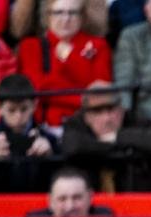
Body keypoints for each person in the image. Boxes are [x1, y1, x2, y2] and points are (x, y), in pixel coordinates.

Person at [14, 0, 112, 128]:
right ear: (48, 16)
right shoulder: (31, 46)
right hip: (43, 126)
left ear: (82, 17)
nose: (66, 19)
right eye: (58, 12)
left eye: (73, 13)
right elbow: (35, 88)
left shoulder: (98, 46)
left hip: (86, 126)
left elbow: (100, 94)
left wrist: (51, 86)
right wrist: (82, 97)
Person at [60, 80, 151, 192]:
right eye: (98, 111)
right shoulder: (76, 122)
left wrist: (118, 137)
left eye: (111, 109)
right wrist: (112, 145)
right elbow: (72, 147)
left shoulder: (135, 119)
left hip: (133, 198)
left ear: (121, 109)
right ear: (87, 116)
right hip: (89, 202)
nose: (107, 119)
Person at [0, 73, 58, 192]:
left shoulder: (49, 140)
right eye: (11, 110)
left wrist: (49, 159)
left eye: (24, 109)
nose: (18, 116)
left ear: (34, 105)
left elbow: (57, 187)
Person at [26, 165, 114, 216]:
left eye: (77, 198)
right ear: (50, 201)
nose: (70, 207)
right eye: (62, 199)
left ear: (90, 198)